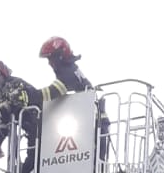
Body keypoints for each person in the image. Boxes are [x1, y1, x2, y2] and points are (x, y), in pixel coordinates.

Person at [0, 59, 67, 173]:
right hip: (33, 130)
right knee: (32, 158)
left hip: (40, 125)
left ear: (1, 73)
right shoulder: (2, 94)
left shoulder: (15, 84)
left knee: (33, 160)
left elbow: (13, 103)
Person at [39, 36, 111, 165]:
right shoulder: (71, 68)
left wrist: (29, 96)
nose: (49, 63)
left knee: (92, 162)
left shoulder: (68, 73)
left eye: (51, 59)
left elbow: (50, 93)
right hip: (94, 120)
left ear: (60, 56)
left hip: (94, 122)